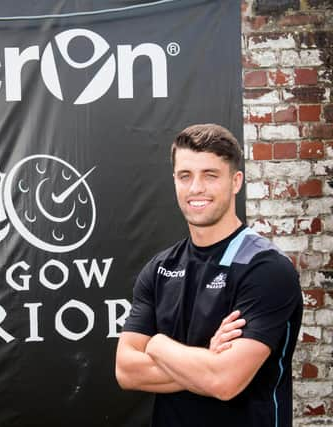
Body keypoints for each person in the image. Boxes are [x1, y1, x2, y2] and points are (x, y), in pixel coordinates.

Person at [115, 124, 302, 427]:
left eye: (210, 175)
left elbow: (225, 381)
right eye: (185, 176)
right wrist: (206, 357)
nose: (196, 188)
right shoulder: (159, 268)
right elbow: (126, 371)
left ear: (236, 181)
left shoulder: (266, 269)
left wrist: (157, 344)